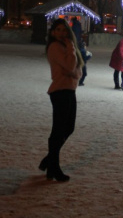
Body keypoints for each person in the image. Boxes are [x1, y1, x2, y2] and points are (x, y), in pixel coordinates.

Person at [38, 18, 83, 182]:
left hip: (69, 90)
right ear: (52, 32)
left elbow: (77, 72)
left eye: (64, 30)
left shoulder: (66, 47)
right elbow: (71, 67)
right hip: (60, 91)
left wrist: (72, 51)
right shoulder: (55, 47)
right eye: (58, 30)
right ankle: (54, 167)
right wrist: (71, 48)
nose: (62, 33)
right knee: (58, 131)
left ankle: (50, 162)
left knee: (68, 128)